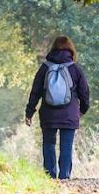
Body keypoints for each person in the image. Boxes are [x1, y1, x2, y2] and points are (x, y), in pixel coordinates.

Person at [25, 36, 89, 179]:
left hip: (48, 113)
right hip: (69, 113)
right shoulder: (75, 68)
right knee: (66, 146)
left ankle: (50, 176)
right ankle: (64, 176)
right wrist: (82, 110)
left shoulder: (45, 67)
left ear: (53, 48)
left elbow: (35, 91)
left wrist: (29, 112)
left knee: (48, 144)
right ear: (70, 49)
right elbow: (84, 92)